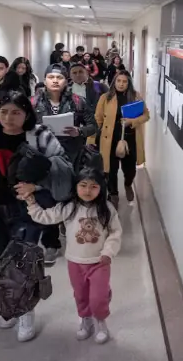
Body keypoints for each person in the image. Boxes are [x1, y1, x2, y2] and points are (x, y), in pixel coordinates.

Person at [0, 91, 69, 340]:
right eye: (4, 111)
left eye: (16, 112)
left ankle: (26, 311)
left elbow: (61, 165)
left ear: (27, 114)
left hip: (26, 208)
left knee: (22, 259)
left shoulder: (40, 135)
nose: (9, 117)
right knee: (4, 259)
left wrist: (35, 187)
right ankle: (13, 307)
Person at [22, 166, 121, 345]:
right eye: (83, 185)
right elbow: (46, 217)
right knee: (81, 295)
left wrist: (108, 252)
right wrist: (31, 203)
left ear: (101, 188)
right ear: (75, 186)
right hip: (75, 262)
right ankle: (86, 319)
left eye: (93, 186)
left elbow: (115, 233)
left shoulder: (106, 209)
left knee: (98, 298)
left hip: (99, 262)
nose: (88, 191)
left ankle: (100, 321)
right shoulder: (69, 207)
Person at [95, 71, 150, 206]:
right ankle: (113, 195)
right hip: (110, 139)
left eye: (124, 81)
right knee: (110, 171)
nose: (121, 84)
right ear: (114, 82)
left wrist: (132, 121)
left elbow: (146, 115)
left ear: (128, 83)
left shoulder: (135, 97)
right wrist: (103, 129)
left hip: (130, 138)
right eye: (119, 81)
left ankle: (128, 184)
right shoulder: (105, 97)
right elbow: (98, 117)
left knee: (130, 169)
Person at [34, 64, 98, 163]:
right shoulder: (34, 102)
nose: (55, 81)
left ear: (66, 82)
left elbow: (93, 126)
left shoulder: (78, 101)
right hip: (41, 154)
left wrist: (79, 131)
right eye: (51, 77)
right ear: (45, 81)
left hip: (70, 155)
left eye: (59, 78)